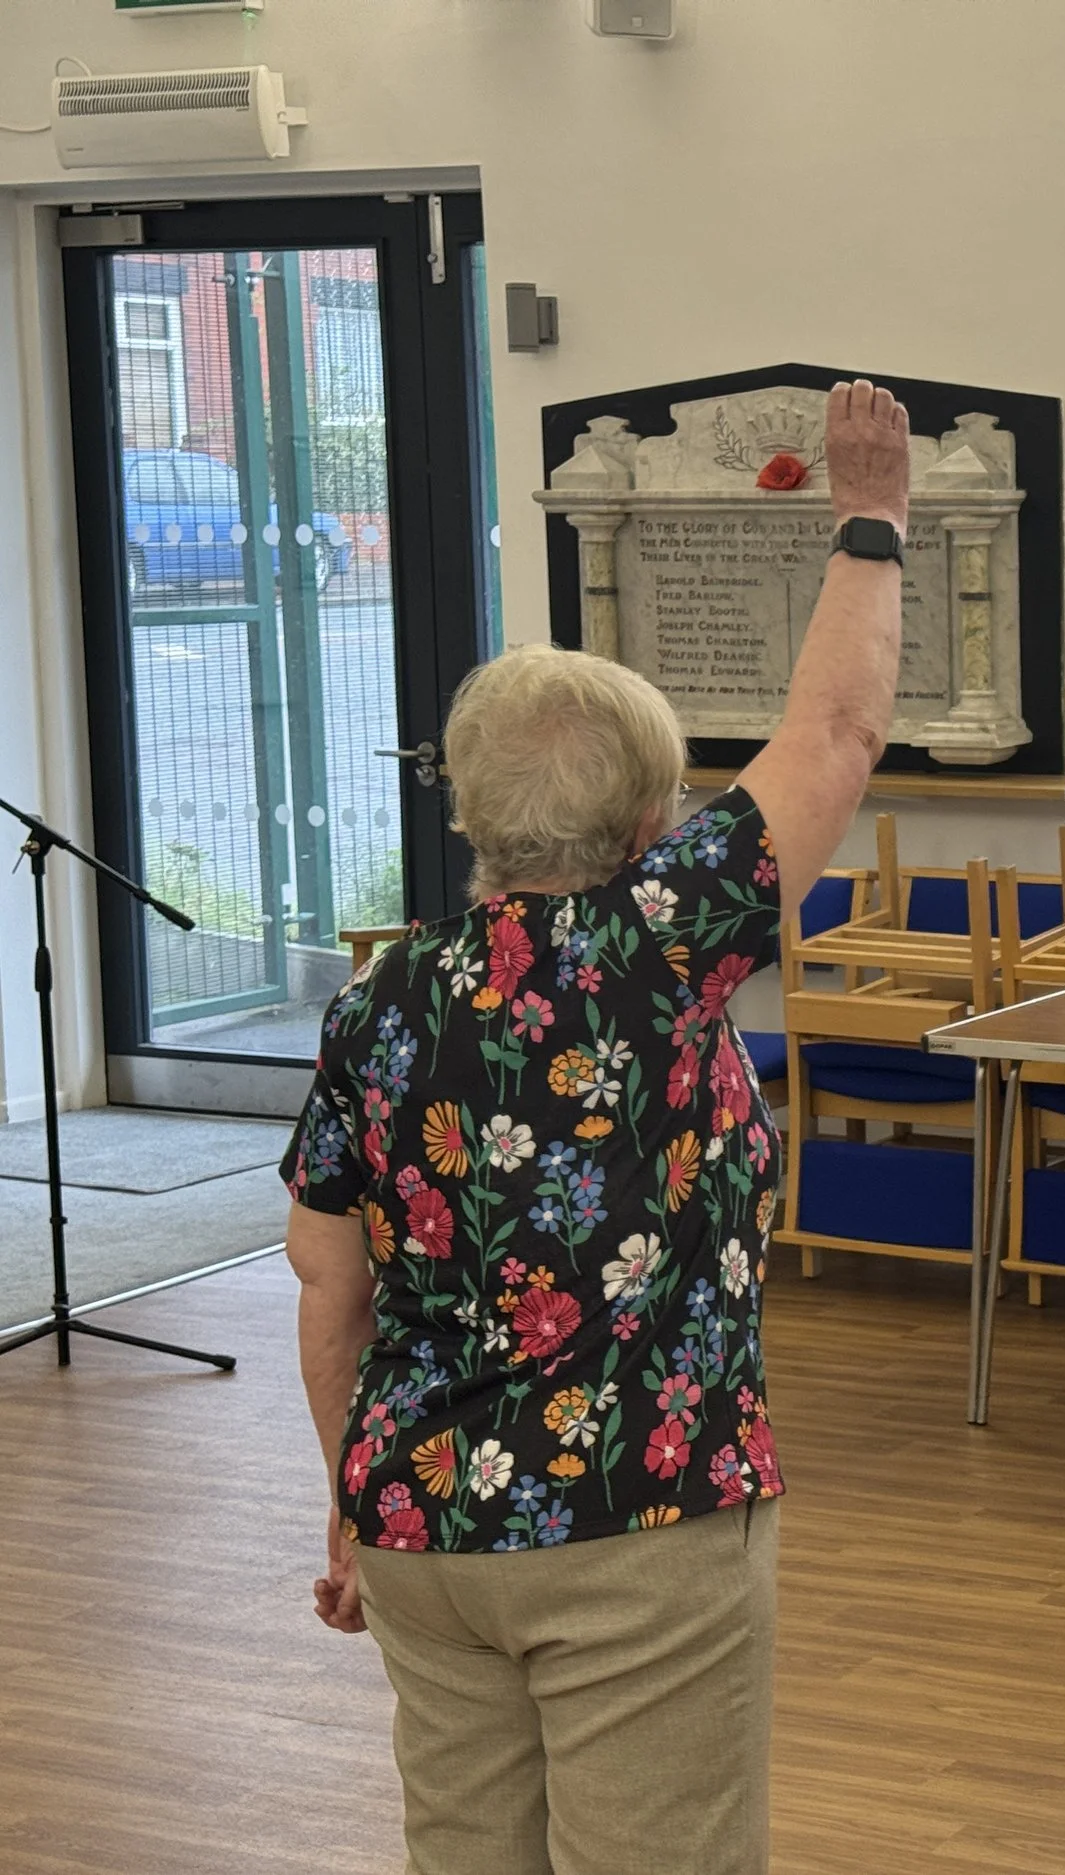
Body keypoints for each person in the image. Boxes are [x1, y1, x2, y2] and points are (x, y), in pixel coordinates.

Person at [278, 380, 912, 1875]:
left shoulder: (380, 999)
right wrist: (872, 514)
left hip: (422, 1523)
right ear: (647, 828)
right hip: (642, 1512)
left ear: (473, 815)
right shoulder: (663, 943)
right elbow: (835, 731)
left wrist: (351, 1499)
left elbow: (327, 1284)